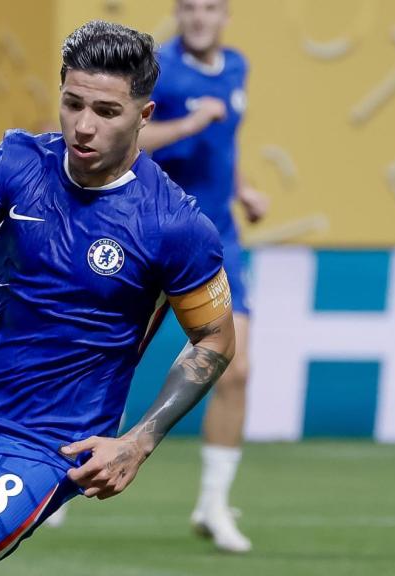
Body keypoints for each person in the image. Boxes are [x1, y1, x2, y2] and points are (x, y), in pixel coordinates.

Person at [0, 20, 236, 576]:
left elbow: (216, 338)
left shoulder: (175, 224)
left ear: (143, 117)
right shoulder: (19, 161)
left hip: (43, 444)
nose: (84, 127)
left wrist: (138, 442)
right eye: (72, 104)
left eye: (106, 112)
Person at [138, 0, 268, 553]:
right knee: (107, 361)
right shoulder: (156, 68)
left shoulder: (236, 66)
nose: (199, 18)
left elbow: (224, 143)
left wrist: (243, 187)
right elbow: (131, 142)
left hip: (218, 241)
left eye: (210, 8)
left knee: (236, 370)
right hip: (153, 232)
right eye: (189, 7)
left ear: (226, 15)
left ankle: (213, 503)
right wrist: (191, 121)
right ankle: (56, 477)